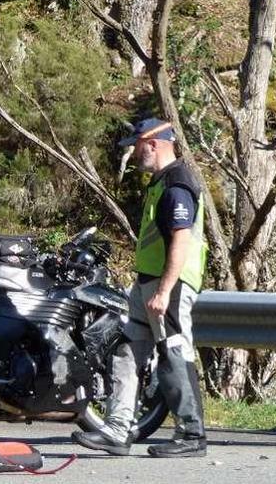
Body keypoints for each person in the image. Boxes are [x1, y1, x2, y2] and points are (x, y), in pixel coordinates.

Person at [72, 118, 208, 458]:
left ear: (153, 143)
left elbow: (181, 239)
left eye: (136, 146)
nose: (133, 154)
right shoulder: (161, 182)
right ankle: (117, 430)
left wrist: (164, 290)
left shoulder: (177, 182)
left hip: (168, 286)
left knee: (173, 354)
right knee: (127, 351)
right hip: (147, 283)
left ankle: (191, 435)